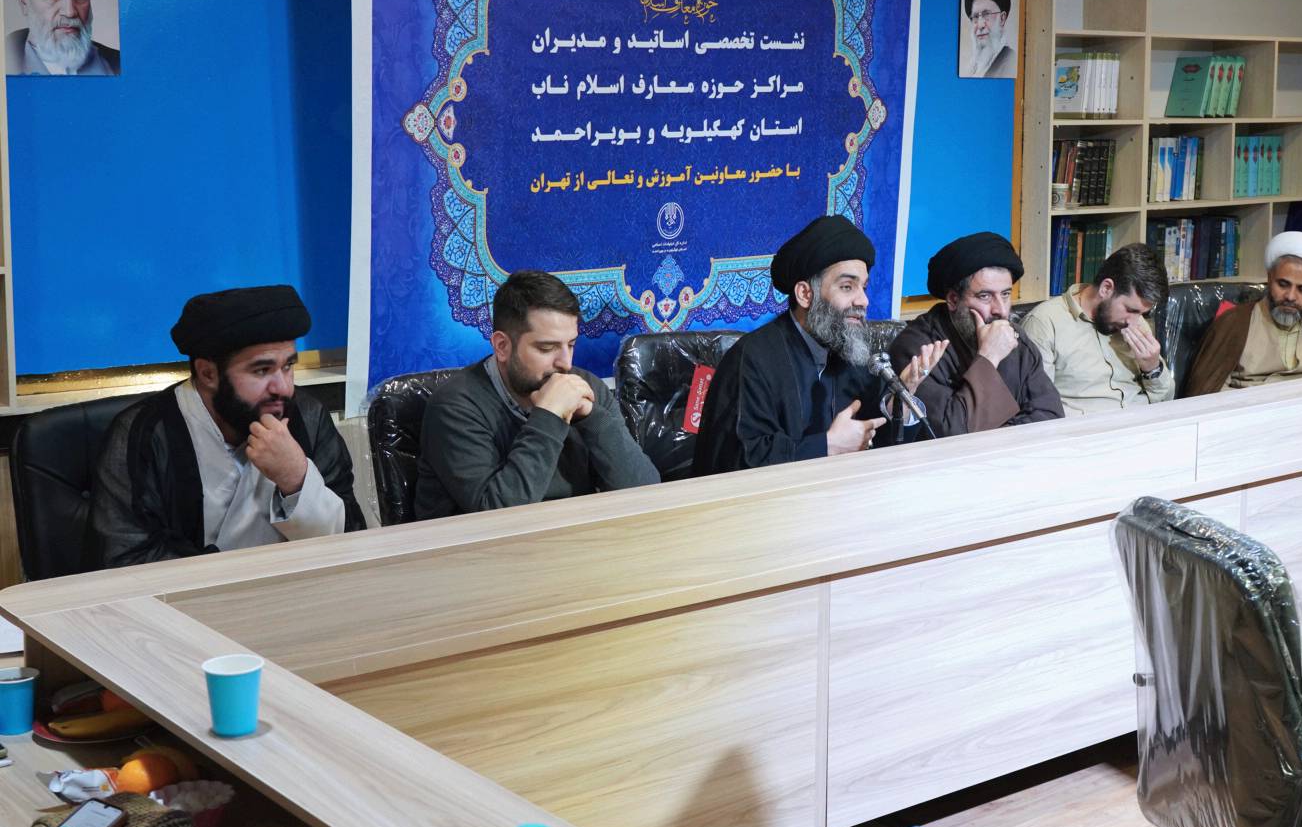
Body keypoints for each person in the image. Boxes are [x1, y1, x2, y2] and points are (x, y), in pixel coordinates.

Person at [94, 285, 362, 566]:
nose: (283, 388)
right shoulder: (145, 433)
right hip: (191, 594)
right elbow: (127, 557)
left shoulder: (307, 417)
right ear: (208, 374)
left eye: (287, 367)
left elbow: (352, 535)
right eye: (262, 370)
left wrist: (297, 480)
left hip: (300, 588)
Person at [692, 215, 947, 475]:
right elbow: (736, 459)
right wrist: (826, 446)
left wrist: (898, 402)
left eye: (863, 287)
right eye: (847, 287)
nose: (863, 301)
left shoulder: (855, 353)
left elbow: (877, 446)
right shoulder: (752, 360)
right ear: (805, 294)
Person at [414, 270, 659, 518]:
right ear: (502, 346)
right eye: (547, 348)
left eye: (571, 345)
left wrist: (591, 417)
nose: (565, 363)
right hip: (482, 541)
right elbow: (497, 518)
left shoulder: (584, 387)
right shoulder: (454, 407)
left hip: (572, 534)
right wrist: (549, 415)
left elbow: (647, 493)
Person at [888, 231, 1062, 435]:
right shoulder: (917, 347)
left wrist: (1000, 433)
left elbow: (1051, 415)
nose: (1000, 310)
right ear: (953, 300)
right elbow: (949, 435)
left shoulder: (1015, 338)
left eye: (1005, 294)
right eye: (985, 296)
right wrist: (989, 357)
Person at [1184, 230, 1302, 395]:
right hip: (1256, 414)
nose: (1291, 296)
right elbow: (1210, 392)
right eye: (1283, 284)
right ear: (1270, 278)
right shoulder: (1236, 323)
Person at [1020, 242, 1174, 414]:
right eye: (1130, 310)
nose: (1134, 322)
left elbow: (1168, 399)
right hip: (1088, 428)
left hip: (1146, 422)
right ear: (1106, 288)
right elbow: (1038, 410)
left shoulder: (1135, 322)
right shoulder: (1044, 324)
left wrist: (1153, 368)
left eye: (1142, 314)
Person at [964, 0, 1015, 79]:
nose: (980, 25)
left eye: (986, 14)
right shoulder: (973, 68)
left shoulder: (1010, 62)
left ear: (1002, 18)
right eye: (975, 17)